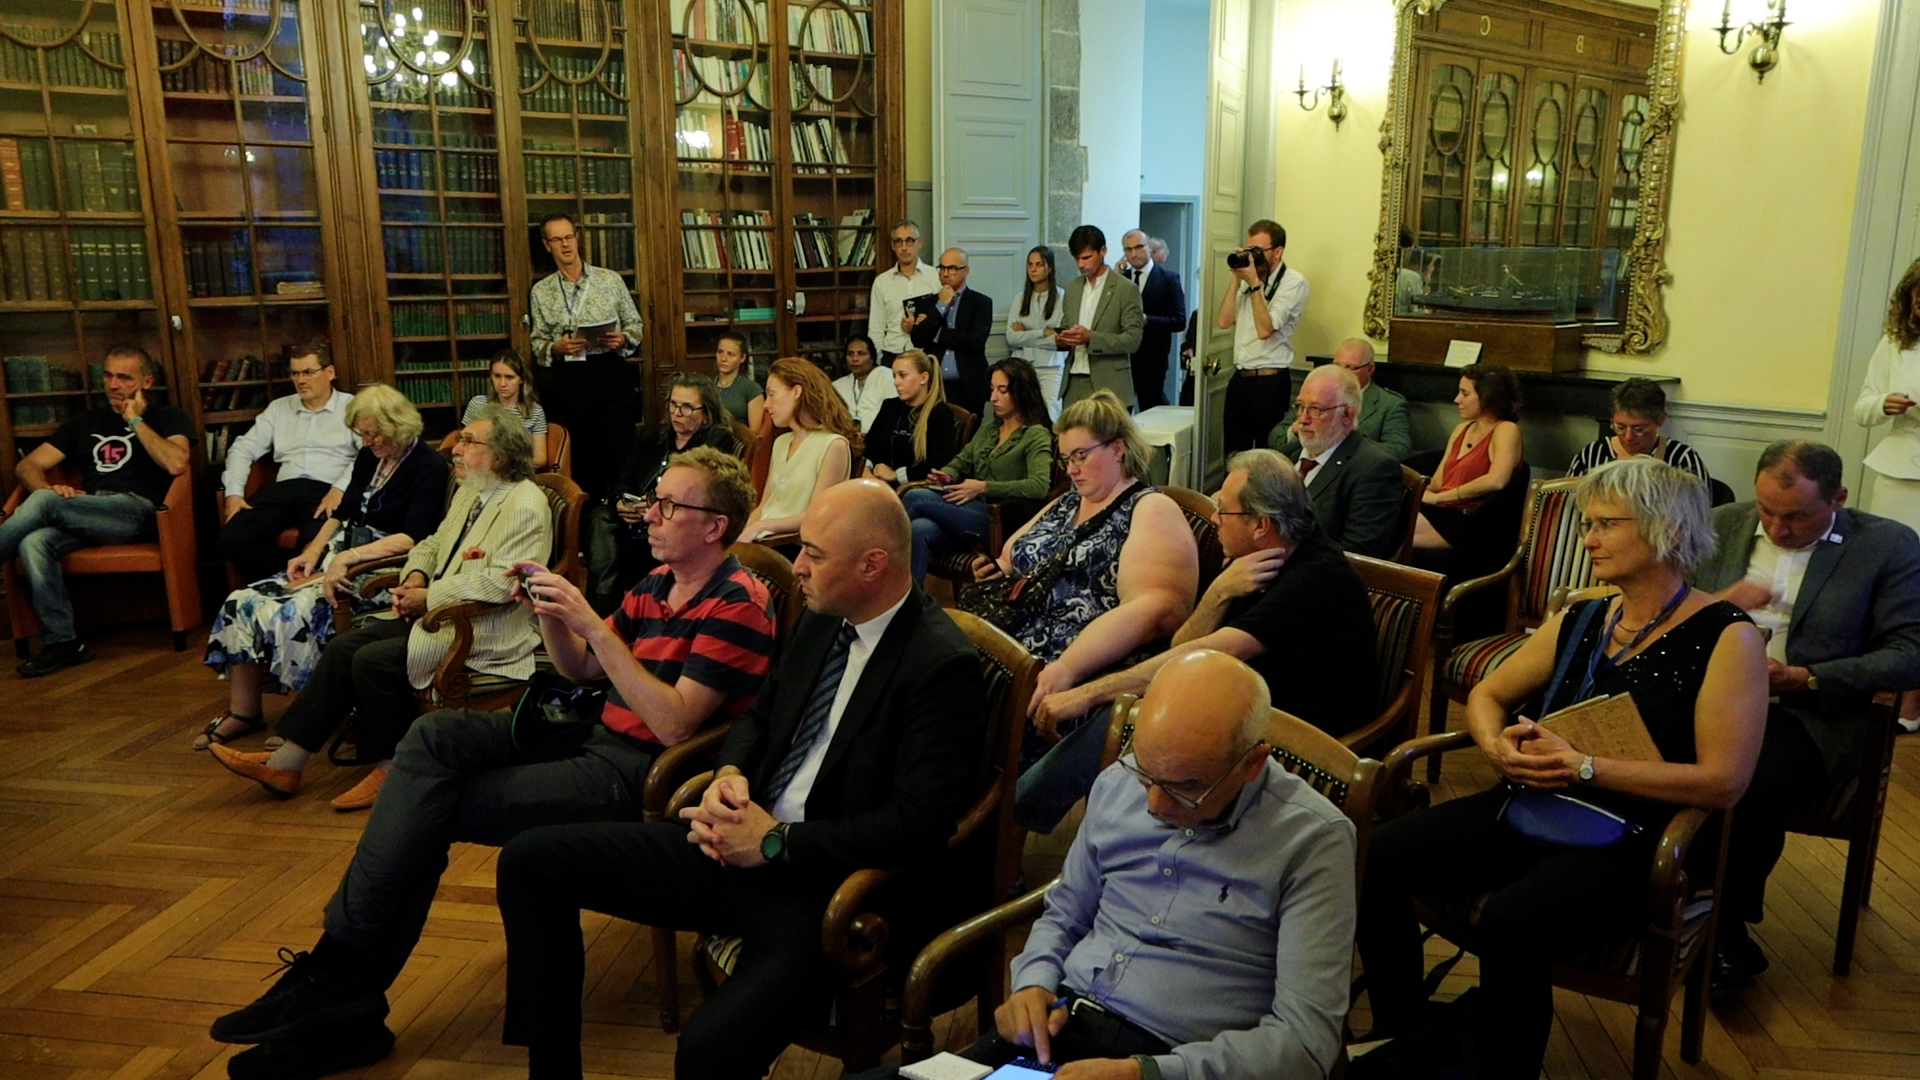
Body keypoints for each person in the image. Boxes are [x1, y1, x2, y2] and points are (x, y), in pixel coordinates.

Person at [202, 448, 777, 1078]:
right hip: (586, 737)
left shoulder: (739, 602)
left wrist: (593, 626)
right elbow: (580, 669)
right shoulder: (658, 583)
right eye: (655, 499)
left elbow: (674, 723)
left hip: (642, 772)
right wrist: (549, 616)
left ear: (715, 526)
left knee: (427, 810)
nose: (652, 514)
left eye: (670, 505)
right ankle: (342, 985)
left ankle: (340, 979)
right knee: (433, 737)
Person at [493, 480, 988, 1080]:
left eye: (814, 554)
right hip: (737, 845)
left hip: (823, 890)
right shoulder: (825, 618)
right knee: (529, 863)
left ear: (872, 565)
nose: (797, 568)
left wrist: (776, 842)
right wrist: (729, 775)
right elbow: (758, 716)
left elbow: (918, 825)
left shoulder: (940, 664)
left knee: (708, 1048)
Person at [1358, 458, 1768, 1080]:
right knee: (1376, 855)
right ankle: (1409, 1032)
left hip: (1640, 836)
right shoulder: (1586, 615)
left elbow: (1724, 781)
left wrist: (1586, 768)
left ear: (1669, 533)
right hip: (1536, 800)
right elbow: (1489, 693)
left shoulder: (1727, 637)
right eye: (1587, 524)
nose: (1588, 539)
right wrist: (1496, 747)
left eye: (1606, 524)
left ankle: (1507, 1069)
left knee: (1513, 919)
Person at [851, 650, 1356, 1080]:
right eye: (1146, 774)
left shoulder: (1312, 840)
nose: (1154, 804)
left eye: (1184, 788)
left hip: (1178, 1061)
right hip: (1056, 1031)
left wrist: (1145, 1073)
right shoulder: (1120, 782)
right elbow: (1065, 912)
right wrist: (1033, 981)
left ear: (1252, 763)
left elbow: (1305, 1041)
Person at [209, 407, 551, 810]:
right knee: (343, 648)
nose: (456, 449)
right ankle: (287, 762)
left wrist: (430, 596)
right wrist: (417, 577)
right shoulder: (472, 489)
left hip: (484, 628)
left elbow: (504, 582)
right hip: (440, 615)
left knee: (372, 661)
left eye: (468, 441)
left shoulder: (525, 505)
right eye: (460, 439)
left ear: (499, 453)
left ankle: (394, 768)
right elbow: (432, 543)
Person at [1024, 447, 1376, 828]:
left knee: (1125, 713)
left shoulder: (1315, 577)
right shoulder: (1255, 561)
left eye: (1223, 510)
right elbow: (1182, 645)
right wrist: (1219, 592)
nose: (1213, 518)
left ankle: (1020, 815)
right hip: (1246, 703)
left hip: (1301, 737)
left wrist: (1088, 693)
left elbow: (1210, 651)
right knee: (1128, 709)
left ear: (1260, 525)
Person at [1691, 441, 1920, 997]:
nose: (1777, 528)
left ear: (1838, 498)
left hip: (1814, 711)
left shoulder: (1886, 544)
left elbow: (1909, 653)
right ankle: (1655, 901)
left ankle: (1724, 933)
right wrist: (1724, 602)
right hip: (1711, 695)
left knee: (1749, 779)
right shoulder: (1722, 523)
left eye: (1796, 517)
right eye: (1767, 511)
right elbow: (1668, 612)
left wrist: (1805, 676)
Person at [968, 390, 1197, 831]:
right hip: (1015, 641)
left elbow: (1157, 609)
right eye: (1065, 458)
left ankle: (991, 835)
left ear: (1118, 448)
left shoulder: (1150, 509)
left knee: (969, 711)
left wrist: (1067, 667)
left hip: (1081, 664)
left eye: (1080, 456)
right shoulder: (1070, 501)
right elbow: (1014, 553)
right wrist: (997, 568)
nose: (1071, 469)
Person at [198, 386, 448, 751]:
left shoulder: (428, 466)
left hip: (379, 568)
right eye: (362, 433)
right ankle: (244, 711)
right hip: (338, 556)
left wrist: (349, 557)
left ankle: (307, 720)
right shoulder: (370, 456)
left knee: (299, 611)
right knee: (241, 601)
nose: (367, 441)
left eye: (373, 433)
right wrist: (312, 551)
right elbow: (342, 513)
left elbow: (413, 537)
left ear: (397, 426)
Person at [0, 345, 194, 677]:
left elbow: (176, 463)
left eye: (124, 377)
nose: (113, 385)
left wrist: (135, 420)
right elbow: (27, 466)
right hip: (90, 512)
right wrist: (50, 490)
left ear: (146, 382)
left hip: (140, 512)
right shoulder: (84, 423)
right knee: (34, 541)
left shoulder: (168, 416)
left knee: (44, 504)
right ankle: (63, 644)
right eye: (108, 376)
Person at [586, 373, 741, 612]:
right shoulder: (653, 436)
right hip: (635, 520)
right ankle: (605, 606)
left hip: (674, 518)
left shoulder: (716, 441)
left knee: (610, 539)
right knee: (600, 518)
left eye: (687, 407)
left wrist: (655, 505)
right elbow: (624, 482)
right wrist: (621, 503)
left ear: (706, 413)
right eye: (673, 404)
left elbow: (705, 494)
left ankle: (606, 612)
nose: (677, 413)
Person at [216, 340, 361, 585]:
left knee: (316, 544)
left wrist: (340, 488)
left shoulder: (352, 407)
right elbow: (242, 448)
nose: (301, 380)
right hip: (283, 490)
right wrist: (234, 493)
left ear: (330, 372)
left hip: (326, 490)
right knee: (230, 539)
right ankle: (283, 583)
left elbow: (367, 454)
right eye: (295, 373)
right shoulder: (279, 408)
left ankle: (299, 586)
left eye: (308, 372)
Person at [905, 357, 1055, 583]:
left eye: (1002, 390)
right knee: (919, 528)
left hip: (1003, 520)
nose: (993, 397)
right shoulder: (989, 430)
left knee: (915, 497)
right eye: (992, 389)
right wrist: (947, 474)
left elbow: (1039, 486)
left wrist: (984, 487)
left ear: (1021, 392)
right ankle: (911, 601)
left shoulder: (1035, 434)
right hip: (972, 514)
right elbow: (962, 461)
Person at [528, 212, 643, 502]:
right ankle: (588, 511)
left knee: (620, 444)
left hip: (610, 369)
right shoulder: (541, 291)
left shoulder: (609, 280)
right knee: (582, 448)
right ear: (547, 245)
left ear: (577, 238)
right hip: (571, 376)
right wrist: (557, 347)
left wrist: (622, 338)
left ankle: (625, 506)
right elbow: (537, 342)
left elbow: (635, 324)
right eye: (557, 239)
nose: (565, 245)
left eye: (569, 237)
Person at [1851, 260, 1920, 732]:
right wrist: (1883, 404)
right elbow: (1862, 408)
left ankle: (1913, 699)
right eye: (1917, 298)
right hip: (1896, 473)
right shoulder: (1896, 342)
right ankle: (1883, 687)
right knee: (1891, 581)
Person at [1274, 364, 1407, 558]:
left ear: (1347, 415)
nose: (1302, 419)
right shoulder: (1287, 455)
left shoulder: (1374, 469)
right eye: (1300, 406)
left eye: (1315, 409)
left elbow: (1358, 552)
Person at [1217, 218, 1310, 453]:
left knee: (1265, 455)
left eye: (1258, 251)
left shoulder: (1293, 283)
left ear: (1277, 252)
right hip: (1240, 378)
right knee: (1234, 453)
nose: (1252, 257)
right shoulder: (1249, 279)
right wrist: (1237, 278)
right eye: (1249, 250)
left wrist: (1254, 285)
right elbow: (1224, 321)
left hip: (1270, 381)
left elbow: (1265, 330)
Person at [1413, 362, 1525, 552]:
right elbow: (1438, 482)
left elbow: (1497, 481)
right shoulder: (1461, 429)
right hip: (1442, 509)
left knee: (1389, 528)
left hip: (1469, 519)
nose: (1457, 399)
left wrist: (1439, 498)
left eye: (1465, 394)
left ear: (1488, 397)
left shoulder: (1506, 430)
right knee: (1381, 516)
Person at [744, 357, 858, 540]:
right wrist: (738, 532)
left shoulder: (833, 444)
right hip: (766, 539)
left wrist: (761, 527)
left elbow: (818, 515)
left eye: (772, 394)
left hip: (796, 544)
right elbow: (764, 507)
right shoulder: (780, 442)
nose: (766, 404)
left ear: (796, 391)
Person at [1269, 339, 1413, 461]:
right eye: (1337, 366)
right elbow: (1275, 439)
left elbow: (1400, 450)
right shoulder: (1316, 395)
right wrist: (1296, 430)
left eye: (1350, 368)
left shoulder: (1390, 404)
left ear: (1370, 369)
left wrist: (1346, 445)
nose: (1341, 373)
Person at [1058, 225, 1145, 409]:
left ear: (1103, 251)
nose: (1081, 264)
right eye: (1077, 258)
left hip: (1110, 384)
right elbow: (1066, 325)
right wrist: (1062, 338)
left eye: (1086, 258)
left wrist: (1091, 338)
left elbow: (1133, 340)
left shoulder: (1125, 289)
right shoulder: (1072, 289)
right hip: (1073, 382)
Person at [1566, 377, 1709, 483]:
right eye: (1620, 427)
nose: (1628, 437)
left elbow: (1698, 509)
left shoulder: (1682, 458)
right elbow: (1569, 499)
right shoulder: (1592, 454)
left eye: (1639, 429)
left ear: (1660, 420)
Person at [907, 247, 993, 415]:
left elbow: (975, 342)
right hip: (935, 387)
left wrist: (937, 333)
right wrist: (941, 305)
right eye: (942, 268)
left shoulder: (981, 303)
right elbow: (918, 339)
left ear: (966, 271)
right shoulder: (928, 303)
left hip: (968, 387)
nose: (946, 273)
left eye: (952, 268)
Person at [863, 350, 956, 487]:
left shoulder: (940, 413)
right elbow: (869, 446)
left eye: (903, 375)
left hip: (912, 487)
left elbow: (937, 464)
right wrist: (866, 470)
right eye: (895, 376)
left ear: (924, 378)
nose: (896, 382)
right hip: (876, 482)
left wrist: (896, 475)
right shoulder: (889, 406)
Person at [1119, 228, 1186, 410]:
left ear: (1149, 247)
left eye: (1139, 247)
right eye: (1128, 249)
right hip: (1122, 360)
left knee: (1151, 411)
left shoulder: (1168, 279)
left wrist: (1148, 319)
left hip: (1152, 359)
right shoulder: (1120, 280)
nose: (1134, 254)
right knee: (1118, 414)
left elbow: (1179, 320)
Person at [461, 348, 550, 470]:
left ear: (521, 379)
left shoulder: (534, 411)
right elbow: (464, 443)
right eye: (497, 376)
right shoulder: (478, 404)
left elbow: (540, 458)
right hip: (480, 469)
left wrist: (508, 467)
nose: (502, 384)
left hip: (517, 471)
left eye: (509, 377)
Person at [867, 219, 939, 362]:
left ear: (920, 243)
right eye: (899, 242)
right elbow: (876, 327)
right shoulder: (882, 282)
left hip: (925, 354)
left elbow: (943, 320)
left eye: (909, 241)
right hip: (892, 354)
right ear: (893, 246)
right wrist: (878, 361)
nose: (904, 248)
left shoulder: (935, 277)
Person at [1007, 244, 1067, 405]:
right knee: (1023, 410)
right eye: (1030, 264)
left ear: (1050, 268)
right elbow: (1012, 338)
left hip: (1051, 366)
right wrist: (1043, 332)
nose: (1033, 269)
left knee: (1051, 410)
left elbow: (1060, 340)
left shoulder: (1062, 297)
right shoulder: (1019, 299)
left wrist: (1025, 334)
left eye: (1039, 265)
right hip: (1023, 365)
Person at [830, 332, 895, 432]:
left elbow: (891, 416)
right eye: (850, 354)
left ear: (872, 357)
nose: (855, 359)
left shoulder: (888, 377)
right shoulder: (837, 386)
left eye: (861, 354)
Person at [711, 331, 764, 432]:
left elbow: (754, 433)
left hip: (737, 439)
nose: (723, 358)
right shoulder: (707, 386)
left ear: (742, 358)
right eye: (720, 352)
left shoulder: (751, 389)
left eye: (730, 354)